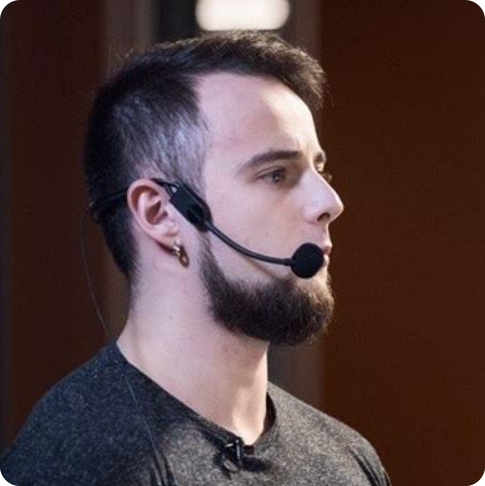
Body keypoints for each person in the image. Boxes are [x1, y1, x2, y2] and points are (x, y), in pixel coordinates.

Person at [0, 31, 391, 485]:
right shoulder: (79, 461)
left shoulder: (345, 459)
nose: (329, 202)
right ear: (161, 214)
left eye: (319, 170)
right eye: (276, 174)